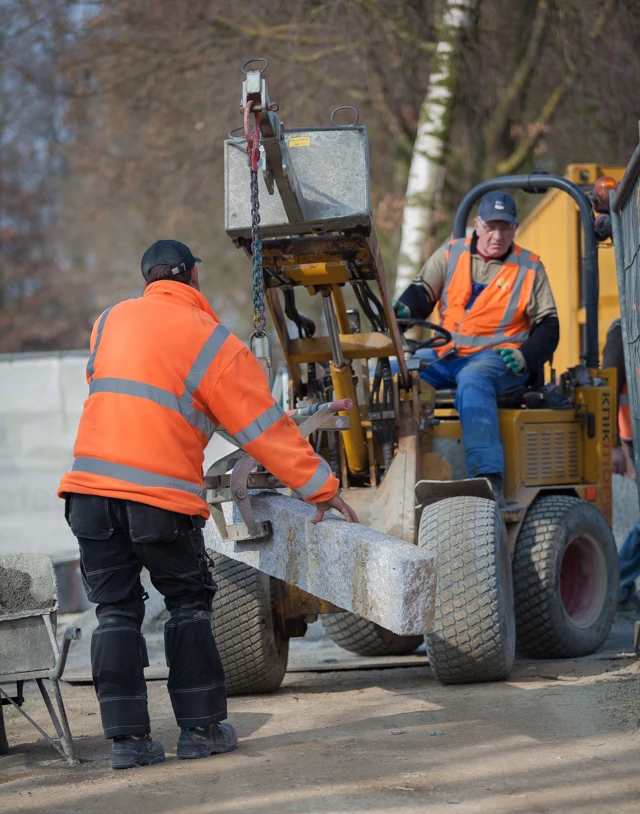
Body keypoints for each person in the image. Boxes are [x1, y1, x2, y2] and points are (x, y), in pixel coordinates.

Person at [58, 239, 357, 769]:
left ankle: (128, 743)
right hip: (159, 499)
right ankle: (200, 730)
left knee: (115, 614)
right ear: (195, 276)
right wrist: (322, 489)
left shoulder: (109, 321)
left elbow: (111, 386)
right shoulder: (214, 343)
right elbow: (265, 430)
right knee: (188, 606)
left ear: (148, 278)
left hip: (89, 492)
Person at [395, 190, 559, 506]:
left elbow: (549, 328)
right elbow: (418, 296)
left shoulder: (530, 269)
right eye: (492, 226)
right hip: (446, 355)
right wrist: (402, 311)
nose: (497, 235)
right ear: (477, 225)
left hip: (499, 359)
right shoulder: (450, 255)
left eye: (505, 227)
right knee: (395, 375)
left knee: (473, 381)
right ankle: (393, 466)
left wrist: (525, 356)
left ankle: (488, 478)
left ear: (515, 228)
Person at [602, 318, 640, 617]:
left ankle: (619, 585)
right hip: (634, 438)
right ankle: (618, 584)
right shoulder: (623, 327)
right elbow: (609, 386)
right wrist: (615, 445)